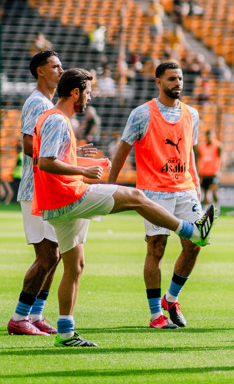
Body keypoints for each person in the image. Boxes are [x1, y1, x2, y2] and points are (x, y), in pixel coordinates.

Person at [33, 68, 215, 347]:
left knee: (75, 266)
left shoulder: (50, 118)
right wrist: (88, 170)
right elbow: (46, 162)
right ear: (75, 93)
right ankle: (190, 229)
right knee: (137, 197)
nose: (90, 99)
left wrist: (81, 163)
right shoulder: (58, 120)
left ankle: (66, 333)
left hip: (55, 205)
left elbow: (49, 159)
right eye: (89, 94)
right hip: (69, 196)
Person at [108, 62, 207, 329]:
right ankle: (155, 316)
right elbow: (123, 149)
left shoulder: (192, 114)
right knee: (156, 249)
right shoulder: (142, 113)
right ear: (158, 82)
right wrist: (109, 185)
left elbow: (189, 152)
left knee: (195, 244)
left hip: (185, 189)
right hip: (154, 192)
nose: (178, 83)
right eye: (172, 78)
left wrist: (196, 184)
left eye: (181, 79)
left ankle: (171, 299)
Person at [7, 51, 65, 336]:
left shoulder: (49, 105)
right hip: (35, 189)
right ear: (40, 71)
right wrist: (63, 159)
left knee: (56, 255)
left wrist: (70, 155)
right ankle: (19, 317)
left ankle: (37, 315)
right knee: (47, 256)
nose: (60, 69)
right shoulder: (36, 103)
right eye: (55, 65)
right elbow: (29, 146)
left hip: (48, 189)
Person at [196, 128, 223, 208]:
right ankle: (206, 210)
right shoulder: (201, 146)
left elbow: (222, 158)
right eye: (208, 135)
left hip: (214, 173)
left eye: (211, 135)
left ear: (214, 136)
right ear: (206, 136)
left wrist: (220, 171)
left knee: (214, 192)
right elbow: (198, 158)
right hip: (204, 174)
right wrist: (198, 171)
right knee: (205, 194)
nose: (210, 137)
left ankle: (217, 207)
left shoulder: (218, 146)